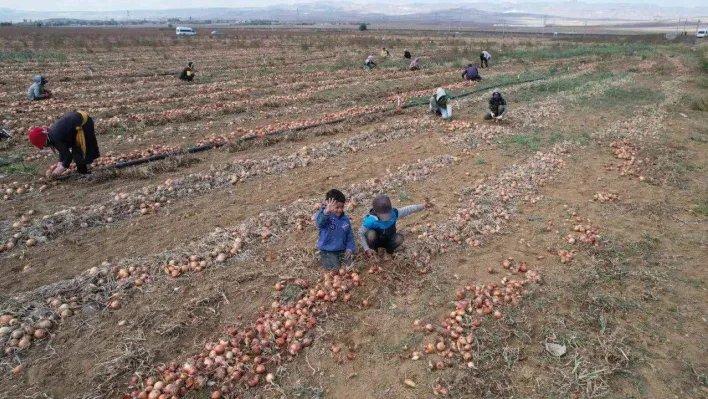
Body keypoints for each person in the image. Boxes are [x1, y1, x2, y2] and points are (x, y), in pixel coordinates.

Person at [28, 111, 100, 176]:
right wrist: (60, 162)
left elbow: (68, 156)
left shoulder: (55, 138)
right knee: (76, 150)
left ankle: (83, 172)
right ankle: (81, 170)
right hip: (77, 121)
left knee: (79, 150)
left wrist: (61, 168)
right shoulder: (51, 134)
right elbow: (62, 149)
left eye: (42, 144)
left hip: (84, 123)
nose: (44, 146)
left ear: (42, 141)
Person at [359, 195, 426, 261]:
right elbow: (361, 233)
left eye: (388, 215)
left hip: (389, 240)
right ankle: (374, 252)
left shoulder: (394, 213)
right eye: (383, 216)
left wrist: (421, 206)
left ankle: (388, 252)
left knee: (399, 238)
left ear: (390, 209)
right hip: (376, 240)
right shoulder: (370, 220)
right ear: (376, 212)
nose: (386, 219)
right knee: (371, 234)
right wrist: (366, 248)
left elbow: (407, 210)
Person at [315, 189, 356, 270]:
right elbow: (320, 223)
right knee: (336, 268)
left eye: (342, 207)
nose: (340, 210)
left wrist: (349, 249)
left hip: (341, 249)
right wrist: (326, 211)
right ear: (328, 205)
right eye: (337, 207)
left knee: (350, 266)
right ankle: (322, 255)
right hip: (327, 250)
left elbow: (349, 235)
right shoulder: (324, 215)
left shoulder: (345, 219)